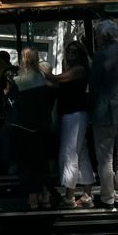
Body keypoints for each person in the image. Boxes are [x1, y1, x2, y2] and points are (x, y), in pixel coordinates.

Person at [89, 19, 118, 212]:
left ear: (103, 35)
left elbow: (93, 86)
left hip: (105, 113)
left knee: (105, 159)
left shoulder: (100, 55)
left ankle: (108, 199)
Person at [45, 40, 95, 209]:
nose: (70, 54)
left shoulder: (79, 69)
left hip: (74, 115)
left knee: (70, 154)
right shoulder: (74, 70)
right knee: (81, 155)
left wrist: (40, 71)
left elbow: (57, 79)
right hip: (74, 114)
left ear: (80, 54)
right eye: (68, 51)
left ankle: (69, 196)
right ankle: (87, 195)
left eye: (74, 52)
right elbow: (57, 85)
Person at [6, 47, 54, 210]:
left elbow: (11, 100)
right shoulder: (42, 78)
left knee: (26, 164)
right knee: (41, 162)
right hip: (41, 126)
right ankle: (45, 196)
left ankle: (32, 198)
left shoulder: (18, 80)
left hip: (23, 127)